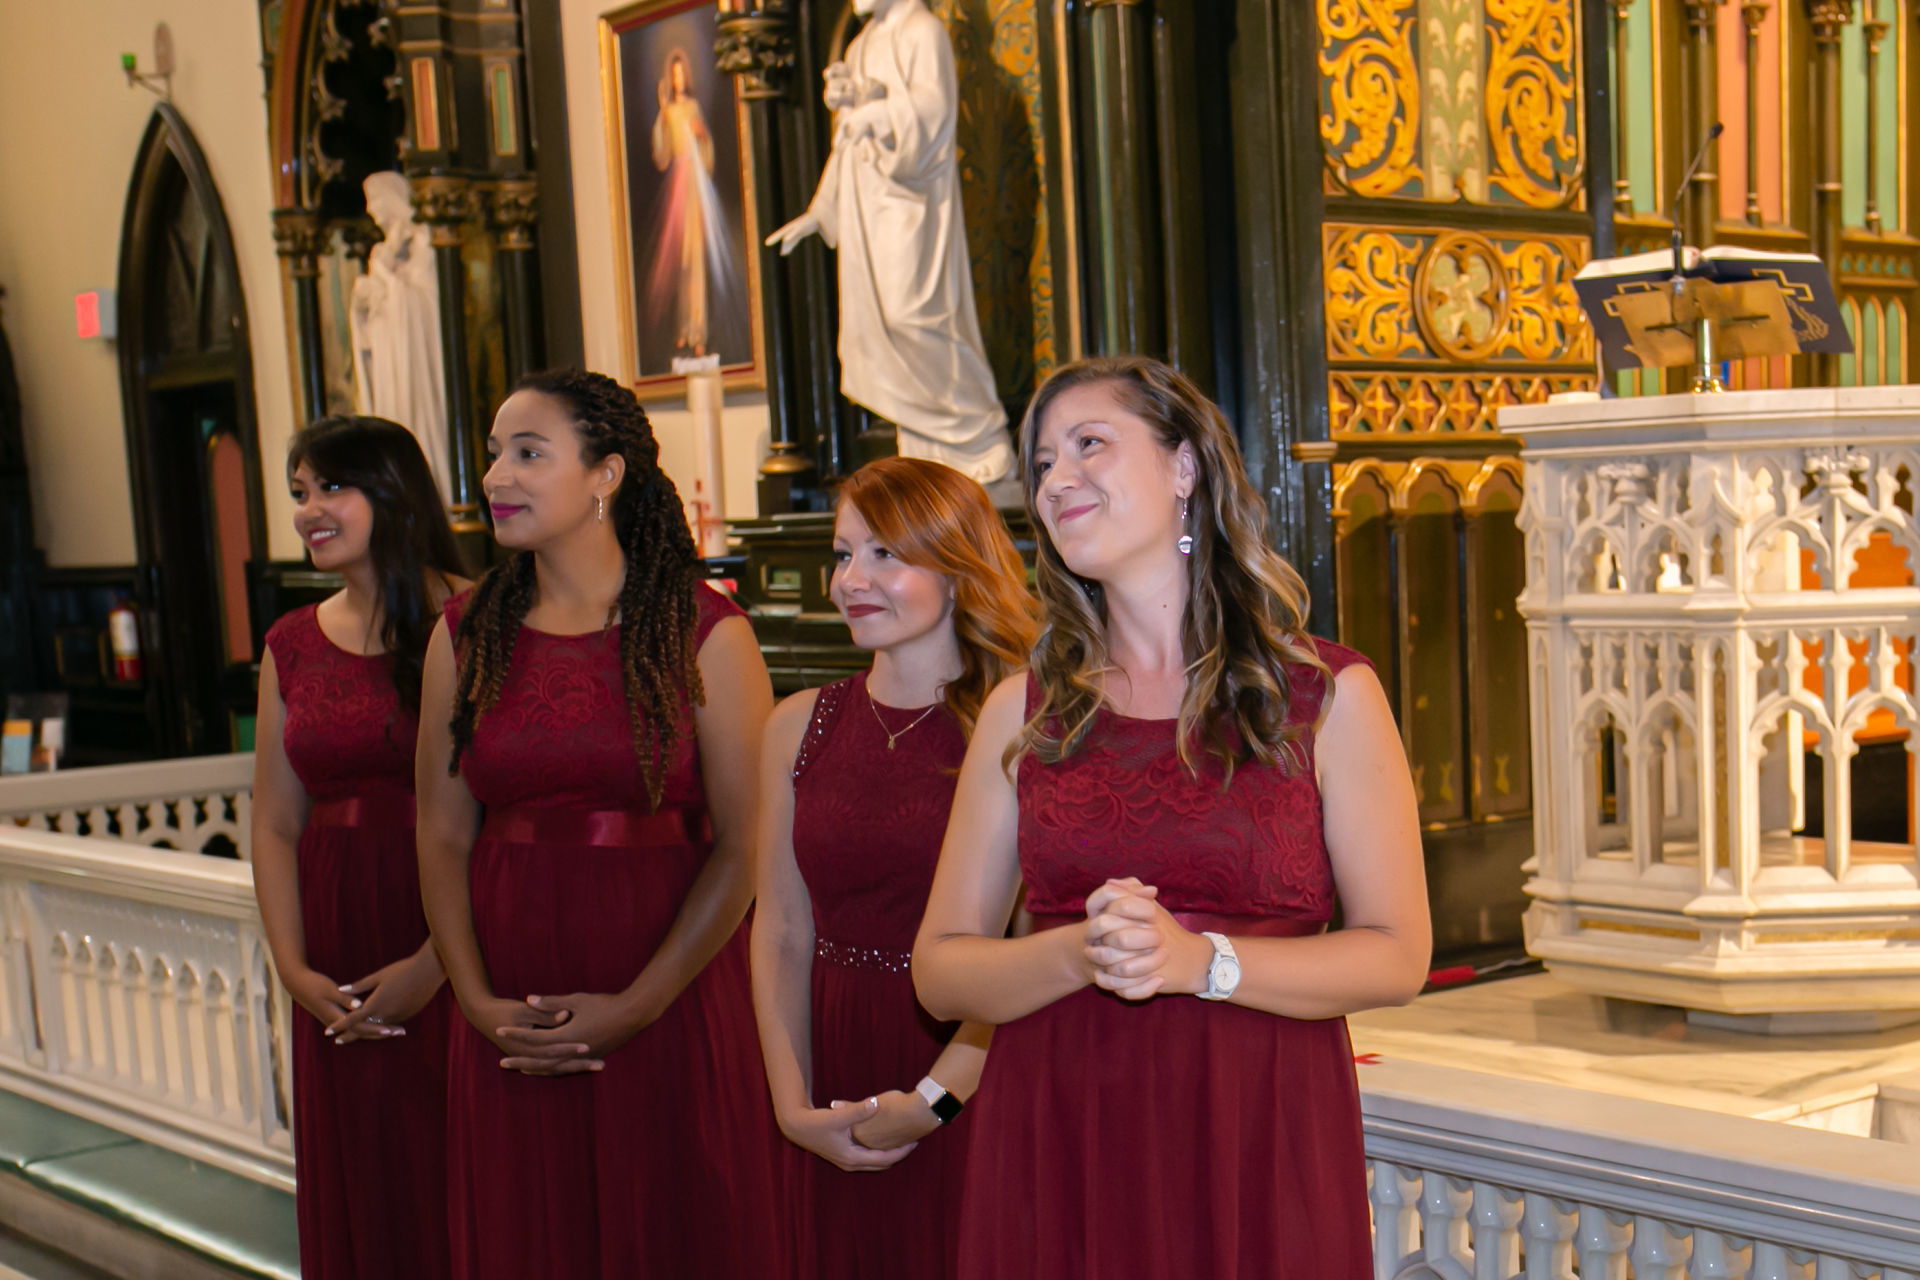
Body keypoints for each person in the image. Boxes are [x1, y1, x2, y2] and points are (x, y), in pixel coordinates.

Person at [911, 356, 1432, 1278]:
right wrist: (1076, 952)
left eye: (1089, 445)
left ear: (1184, 466)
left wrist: (1201, 962)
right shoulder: (1022, 713)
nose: (1057, 478)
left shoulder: (1327, 695)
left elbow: (1398, 954)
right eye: (1041, 464)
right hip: (1058, 1128)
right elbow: (942, 974)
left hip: (1255, 1125)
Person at [414, 368, 783, 1278]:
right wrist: (474, 999)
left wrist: (639, 1006)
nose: (497, 475)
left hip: (669, 988)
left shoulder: (705, 632)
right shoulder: (466, 634)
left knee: (675, 1227)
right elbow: (442, 831)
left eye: (529, 453)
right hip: (509, 999)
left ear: (606, 475)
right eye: (495, 452)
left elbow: (746, 845)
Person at [753, 457, 1038, 1279]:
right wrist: (790, 1102)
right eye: (843, 555)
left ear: (957, 571)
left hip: (970, 1068)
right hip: (831, 1052)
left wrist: (936, 1100)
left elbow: (1030, 952)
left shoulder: (1021, 728)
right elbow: (778, 929)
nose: (852, 580)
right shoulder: (797, 725)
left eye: (887, 555)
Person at [251, 415, 470, 1280]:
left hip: (452, 932)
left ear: (390, 489)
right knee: (365, 1183)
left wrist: (435, 964)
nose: (309, 511)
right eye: (299, 493)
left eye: (330, 488)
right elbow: (273, 819)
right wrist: (294, 968)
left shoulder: (477, 612)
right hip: (334, 943)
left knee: (453, 1170)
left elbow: (500, 815)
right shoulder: (291, 643)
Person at [764, 0, 1015, 490]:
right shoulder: (861, 45)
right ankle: (928, 455)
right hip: (866, 212)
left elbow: (935, 114)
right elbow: (846, 142)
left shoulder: (923, 32)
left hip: (912, 206)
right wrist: (820, 210)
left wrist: (876, 110)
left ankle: (981, 436)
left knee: (913, 316)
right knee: (876, 328)